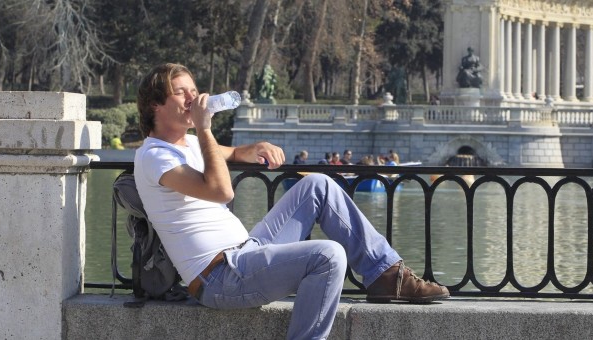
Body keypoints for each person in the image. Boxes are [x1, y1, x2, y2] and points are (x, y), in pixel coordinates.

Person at [133, 63, 449, 340]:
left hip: (247, 253)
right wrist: (204, 127)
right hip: (219, 278)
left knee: (318, 185)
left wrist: (254, 147)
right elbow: (221, 191)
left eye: (194, 89)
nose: (194, 98)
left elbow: (228, 154)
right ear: (155, 107)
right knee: (328, 256)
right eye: (181, 92)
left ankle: (386, 275)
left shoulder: (187, 143)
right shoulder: (154, 156)